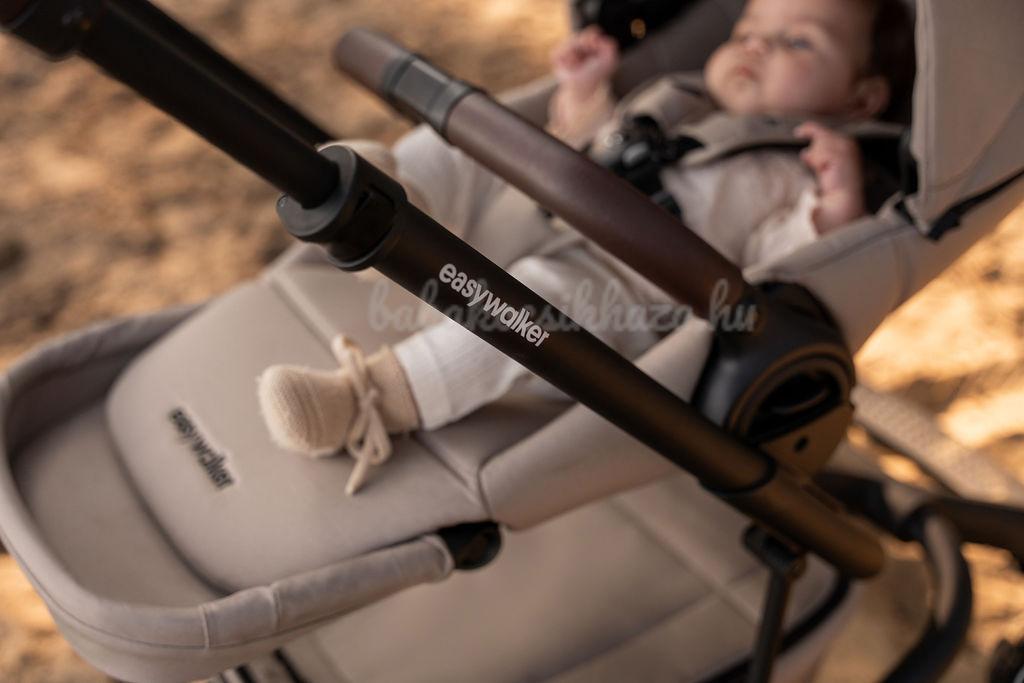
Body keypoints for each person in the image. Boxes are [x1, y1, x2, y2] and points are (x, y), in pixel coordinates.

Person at [258, 0, 915, 494]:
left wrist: (837, 204)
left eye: (797, 41)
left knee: (534, 301)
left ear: (862, 98)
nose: (758, 46)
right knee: (462, 145)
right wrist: (586, 93)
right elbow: (588, 145)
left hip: (611, 303)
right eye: (747, 31)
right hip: (536, 218)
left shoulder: (796, 172)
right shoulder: (680, 99)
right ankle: (386, 202)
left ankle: (370, 398)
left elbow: (789, 268)